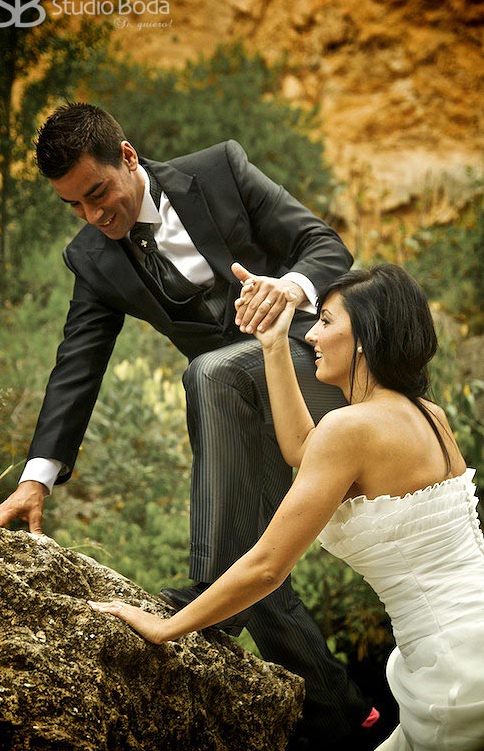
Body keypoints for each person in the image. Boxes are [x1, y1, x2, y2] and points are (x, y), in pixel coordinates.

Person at [0, 101, 379, 749]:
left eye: (98, 193)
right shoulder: (92, 257)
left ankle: (205, 588)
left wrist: (288, 289)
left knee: (209, 375)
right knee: (249, 553)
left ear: (129, 158)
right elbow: (76, 366)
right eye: (73, 207)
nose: (93, 216)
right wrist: (37, 480)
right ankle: (344, 713)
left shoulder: (218, 170)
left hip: (315, 369)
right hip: (237, 413)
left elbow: (325, 247)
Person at [89, 263, 484, 751]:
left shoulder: (350, 429)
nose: (313, 335)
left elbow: (267, 568)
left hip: (454, 666)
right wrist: (273, 343)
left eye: (325, 322)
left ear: (364, 338)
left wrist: (166, 627)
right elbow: (305, 450)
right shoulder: (428, 415)